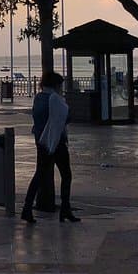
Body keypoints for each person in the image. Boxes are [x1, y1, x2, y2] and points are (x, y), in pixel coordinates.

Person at [21, 71, 79, 225]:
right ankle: (65, 209)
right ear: (56, 85)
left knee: (39, 175)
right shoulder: (55, 99)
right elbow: (67, 117)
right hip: (56, 142)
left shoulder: (38, 98)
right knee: (66, 175)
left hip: (41, 142)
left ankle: (27, 208)